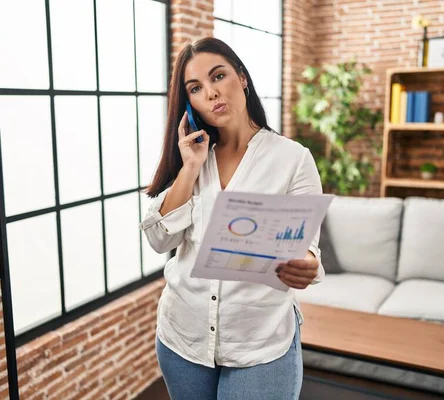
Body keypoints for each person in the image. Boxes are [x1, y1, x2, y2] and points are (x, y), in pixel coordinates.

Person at [138, 37, 324, 400]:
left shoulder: (293, 159)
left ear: (242, 78)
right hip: (183, 340)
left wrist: (306, 264)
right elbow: (160, 239)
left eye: (218, 76)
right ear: (188, 102)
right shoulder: (194, 158)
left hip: (260, 346)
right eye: (196, 88)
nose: (210, 92)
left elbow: (308, 249)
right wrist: (190, 166)